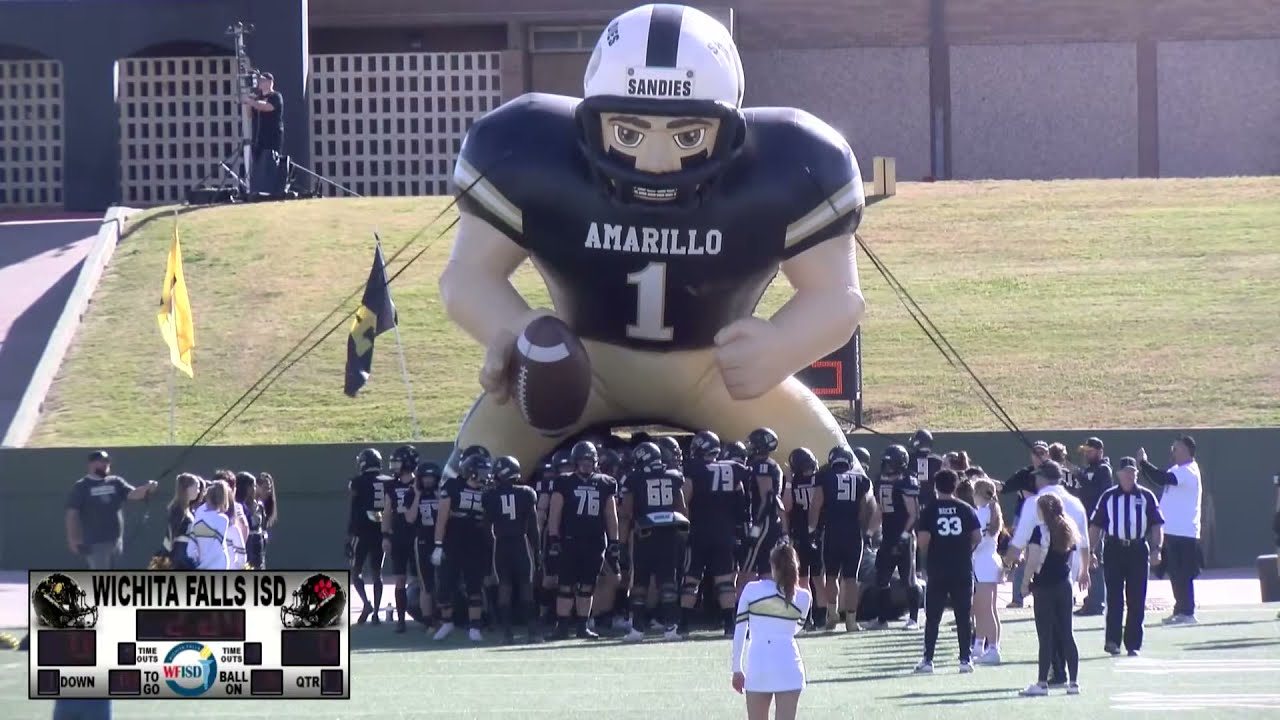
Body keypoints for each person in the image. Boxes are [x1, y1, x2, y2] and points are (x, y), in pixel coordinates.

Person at [439, 4, 866, 483]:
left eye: (687, 135)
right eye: (628, 132)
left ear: (731, 128)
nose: (657, 160)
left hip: (716, 374)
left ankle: (858, 561)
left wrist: (784, 343)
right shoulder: (525, 148)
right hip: (577, 372)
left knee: (841, 482)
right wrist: (515, 331)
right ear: (588, 124)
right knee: (466, 483)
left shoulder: (794, 163)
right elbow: (469, 276)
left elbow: (838, 297)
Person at [1089, 457, 1164, 656]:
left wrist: (1157, 548)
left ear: (1136, 475)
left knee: (1137, 598)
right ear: (1119, 475)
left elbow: (1157, 524)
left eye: (1133, 473)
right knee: (1114, 597)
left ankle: (1133, 644)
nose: (1130, 476)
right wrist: (1090, 552)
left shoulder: (1146, 496)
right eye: (1126, 473)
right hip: (1114, 548)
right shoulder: (1108, 497)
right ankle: (1112, 641)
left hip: (1138, 549)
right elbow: (1096, 525)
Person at [547, 441, 621, 640]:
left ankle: (582, 625)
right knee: (565, 585)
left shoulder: (606, 482)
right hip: (570, 540)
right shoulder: (564, 481)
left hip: (595, 541)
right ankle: (561, 626)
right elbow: (555, 511)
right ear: (575, 461)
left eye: (590, 461)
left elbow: (610, 514)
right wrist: (553, 536)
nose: (587, 464)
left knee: (588, 585)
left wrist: (614, 541)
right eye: (583, 461)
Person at [731, 544, 812, 720]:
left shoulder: (752, 590)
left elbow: (740, 630)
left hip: (760, 665)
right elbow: (795, 629)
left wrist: (736, 669)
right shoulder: (805, 597)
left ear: (773, 566)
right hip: (790, 666)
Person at [681, 432, 751, 637]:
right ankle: (730, 625)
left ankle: (684, 624)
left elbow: (685, 497)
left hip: (699, 531)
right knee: (725, 580)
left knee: (691, 578)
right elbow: (742, 500)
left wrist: (685, 524)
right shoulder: (734, 469)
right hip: (725, 531)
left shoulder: (693, 469)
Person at [621, 440, 689, 641]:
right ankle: (671, 627)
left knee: (640, 582)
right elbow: (681, 508)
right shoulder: (673, 476)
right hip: (669, 534)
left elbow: (626, 513)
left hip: (645, 534)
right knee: (668, 581)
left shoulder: (634, 478)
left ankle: (638, 629)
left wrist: (622, 542)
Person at [915, 469, 981, 674]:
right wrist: (963, 550)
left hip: (938, 568)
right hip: (962, 567)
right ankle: (965, 659)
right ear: (955, 486)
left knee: (933, 616)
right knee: (963, 615)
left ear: (936, 486)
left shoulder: (929, 509)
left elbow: (923, 541)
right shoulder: (966, 508)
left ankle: (928, 660)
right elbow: (977, 536)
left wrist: (930, 554)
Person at [1020, 494, 1086, 697]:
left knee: (1046, 636)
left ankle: (1042, 683)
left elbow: (1032, 561)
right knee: (1067, 633)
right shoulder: (1068, 527)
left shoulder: (1039, 532)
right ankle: (1074, 682)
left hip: (1044, 586)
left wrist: (1024, 584)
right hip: (1064, 583)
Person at [807, 445, 874, 631]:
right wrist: (863, 528)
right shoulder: (861, 479)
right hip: (853, 532)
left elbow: (816, 504)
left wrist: (812, 529)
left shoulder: (825, 477)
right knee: (851, 578)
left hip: (832, 531)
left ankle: (832, 614)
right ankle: (851, 621)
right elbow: (867, 507)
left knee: (831, 576)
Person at [1137, 435, 1202, 625]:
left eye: (1178, 448)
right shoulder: (1177, 469)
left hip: (1185, 532)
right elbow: (1158, 480)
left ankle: (1188, 612)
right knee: (1174, 572)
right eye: (1173, 448)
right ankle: (1180, 609)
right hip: (1171, 532)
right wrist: (1144, 466)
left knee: (1183, 574)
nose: (1174, 452)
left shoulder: (1189, 470)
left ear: (1188, 451)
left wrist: (1144, 463)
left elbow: (1161, 477)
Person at [432, 452, 493, 642]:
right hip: (453, 543)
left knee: (474, 586)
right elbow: (442, 516)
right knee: (444, 586)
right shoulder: (453, 486)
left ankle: (474, 626)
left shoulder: (488, 490)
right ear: (471, 471)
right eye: (482, 471)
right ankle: (447, 622)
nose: (485, 475)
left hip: (476, 544)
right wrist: (438, 544)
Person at [65, 450, 158, 569]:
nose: (106, 465)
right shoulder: (81, 486)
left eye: (107, 462)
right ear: (91, 464)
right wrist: (73, 539)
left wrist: (147, 488)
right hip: (95, 543)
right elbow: (72, 514)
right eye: (102, 462)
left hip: (116, 540)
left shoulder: (115, 482)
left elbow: (134, 494)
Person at [483, 456, 542, 643]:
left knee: (504, 587)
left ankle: (507, 633)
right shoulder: (526, 493)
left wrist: (488, 548)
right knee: (526, 586)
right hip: (521, 543)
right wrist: (538, 550)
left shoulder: (490, 495)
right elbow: (533, 526)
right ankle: (532, 631)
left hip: (500, 543)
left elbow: (486, 527)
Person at [869, 444, 921, 630]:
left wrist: (905, 534)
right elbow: (879, 510)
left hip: (904, 536)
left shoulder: (907, 480)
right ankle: (882, 619)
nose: (888, 467)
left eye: (892, 464)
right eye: (886, 463)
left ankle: (914, 619)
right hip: (888, 535)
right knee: (882, 578)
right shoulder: (880, 481)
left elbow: (914, 513)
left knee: (908, 578)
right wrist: (870, 532)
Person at [1002, 440, 1050, 608]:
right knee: (1020, 558)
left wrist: (1030, 494)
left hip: (1045, 522)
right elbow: (1005, 487)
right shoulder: (1024, 473)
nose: (1038, 456)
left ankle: (1041, 595)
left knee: (1041, 559)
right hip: (1023, 519)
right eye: (1036, 452)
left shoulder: (1053, 474)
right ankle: (1017, 597)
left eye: (1042, 452)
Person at [1068, 437, 1112, 616]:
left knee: (1095, 561)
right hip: (1086, 520)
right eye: (1085, 451)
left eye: (1090, 451)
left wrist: (1078, 474)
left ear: (1099, 451)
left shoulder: (1103, 470)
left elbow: (1096, 492)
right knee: (1088, 561)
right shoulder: (1089, 470)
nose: (1086, 454)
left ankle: (1097, 602)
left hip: (1098, 522)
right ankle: (1090, 600)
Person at [347, 448, 388, 624]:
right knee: (377, 574)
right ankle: (377, 613)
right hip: (381, 532)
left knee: (356, 572)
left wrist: (348, 535)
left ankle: (366, 604)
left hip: (362, 532)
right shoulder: (390, 481)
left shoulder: (357, 482)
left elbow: (354, 509)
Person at [382, 445, 420, 633]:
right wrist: (386, 536)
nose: (395, 466)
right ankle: (401, 619)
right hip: (398, 536)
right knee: (399, 579)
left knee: (419, 577)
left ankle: (424, 616)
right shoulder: (391, 485)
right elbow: (387, 512)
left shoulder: (419, 483)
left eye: (398, 461)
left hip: (417, 536)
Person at [784, 447, 824, 627]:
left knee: (803, 579)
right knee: (819, 578)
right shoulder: (821, 478)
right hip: (819, 531)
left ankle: (806, 618)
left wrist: (789, 482)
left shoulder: (794, 481)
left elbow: (786, 507)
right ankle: (822, 618)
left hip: (800, 532)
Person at [971, 477, 1004, 664]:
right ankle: (979, 645)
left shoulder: (981, 513)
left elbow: (977, 542)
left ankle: (992, 649)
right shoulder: (987, 512)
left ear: (978, 494)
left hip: (983, 563)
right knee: (986, 608)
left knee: (984, 610)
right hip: (989, 561)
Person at [409, 460, 442, 632]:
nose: (428, 481)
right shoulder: (413, 494)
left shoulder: (442, 494)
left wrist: (438, 497)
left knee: (443, 581)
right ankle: (428, 621)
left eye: (431, 478)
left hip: (442, 541)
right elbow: (410, 518)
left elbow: (448, 515)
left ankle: (445, 618)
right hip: (422, 541)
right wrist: (416, 495)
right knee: (426, 584)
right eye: (425, 478)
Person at [241, 71, 284, 195]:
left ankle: (272, 191)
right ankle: (257, 190)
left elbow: (267, 107)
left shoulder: (276, 96)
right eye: (260, 81)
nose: (261, 83)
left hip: (272, 138)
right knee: (257, 165)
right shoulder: (257, 98)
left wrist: (251, 102)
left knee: (270, 164)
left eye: (263, 81)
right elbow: (250, 115)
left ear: (270, 82)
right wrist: (248, 102)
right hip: (258, 138)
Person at [148, 473, 202, 570]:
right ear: (188, 488)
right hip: (179, 559)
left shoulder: (188, 509)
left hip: (186, 556)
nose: (198, 491)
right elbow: (170, 535)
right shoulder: (177, 509)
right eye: (196, 487)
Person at [187, 481, 233, 570]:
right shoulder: (223, 519)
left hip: (203, 565)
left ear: (207, 497)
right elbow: (216, 548)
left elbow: (190, 548)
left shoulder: (198, 516)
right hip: (220, 565)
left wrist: (198, 564)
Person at [234, 472, 265, 569]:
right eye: (253, 486)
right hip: (245, 548)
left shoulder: (259, 506)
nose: (255, 489)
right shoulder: (237, 506)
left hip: (258, 549)